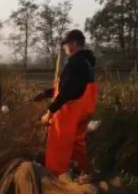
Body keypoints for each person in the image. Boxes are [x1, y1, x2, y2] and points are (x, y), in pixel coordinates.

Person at [33, 29, 98, 176]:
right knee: (77, 146)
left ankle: (57, 180)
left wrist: (49, 113)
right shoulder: (87, 63)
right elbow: (73, 88)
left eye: (66, 44)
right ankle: (82, 174)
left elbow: (66, 93)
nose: (64, 47)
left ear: (74, 44)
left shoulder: (74, 64)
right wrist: (46, 93)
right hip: (83, 114)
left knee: (58, 149)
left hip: (67, 114)